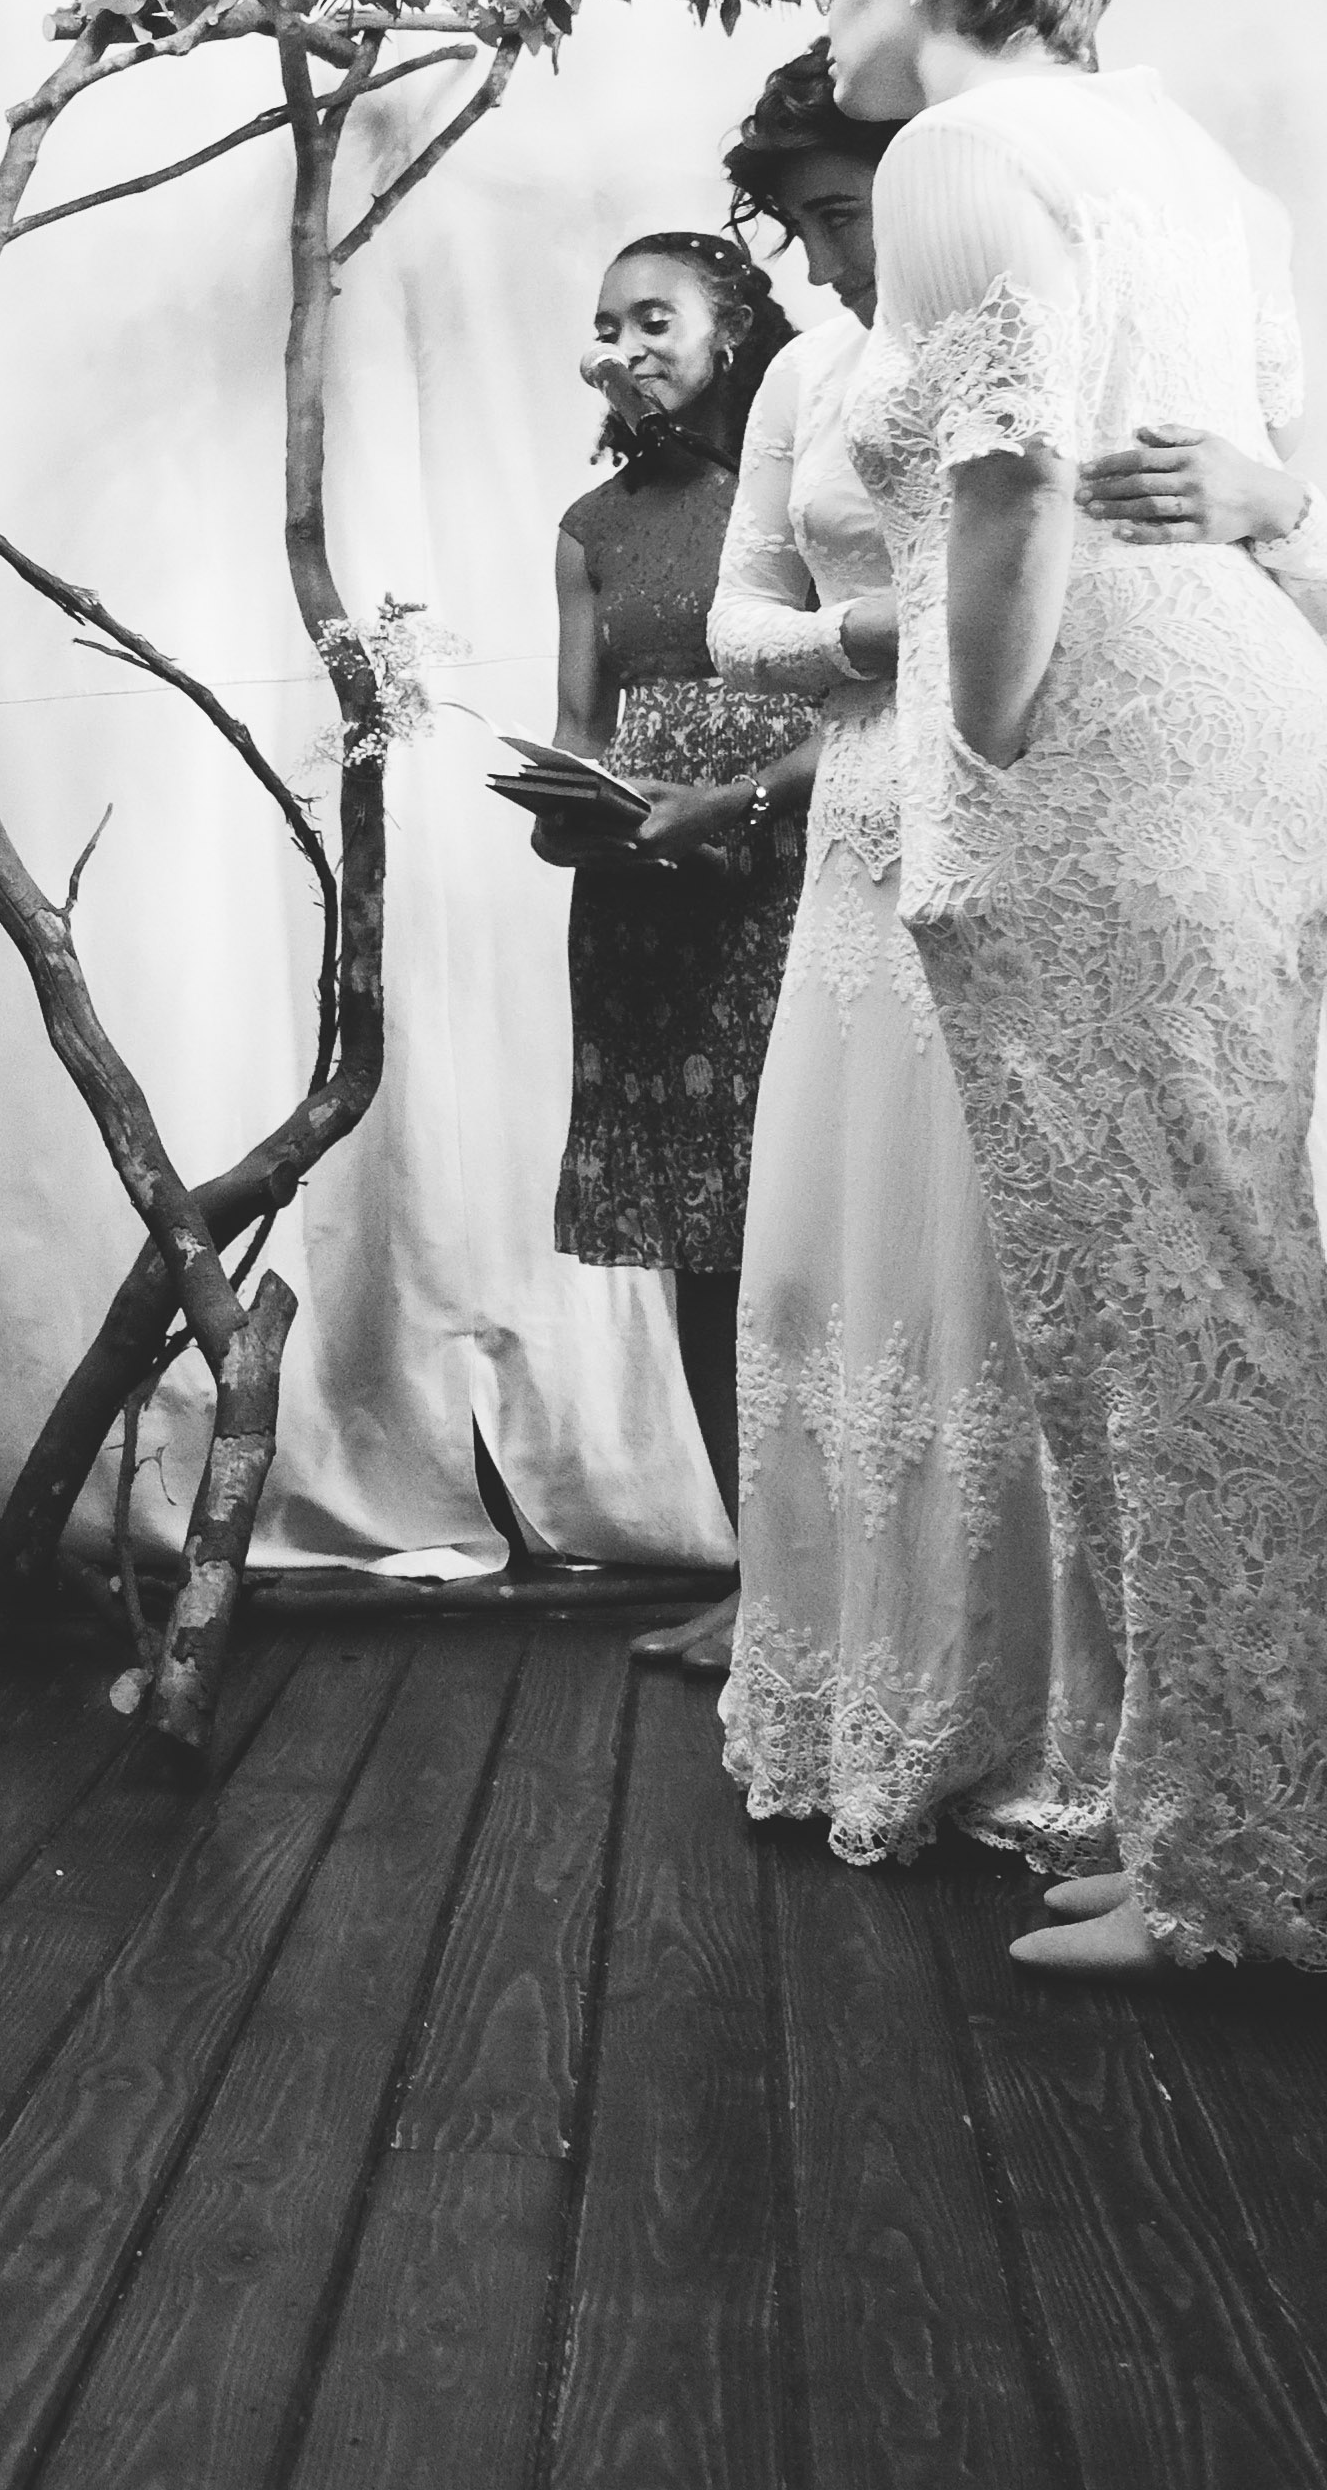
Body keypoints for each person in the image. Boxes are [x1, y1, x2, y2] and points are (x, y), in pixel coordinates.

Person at [822, 0, 1327, 1976]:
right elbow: (1252, 472)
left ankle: (1250, 1882)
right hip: (1259, 719)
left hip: (1113, 757)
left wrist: (978, 756)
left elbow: (1007, 480)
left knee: (1170, 1320)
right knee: (1197, 1294)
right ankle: (1214, 1816)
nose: (825, 13)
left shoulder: (955, 154)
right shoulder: (1186, 160)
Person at [709, 48, 1327, 1876]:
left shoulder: (1085, 304)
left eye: (840, 212)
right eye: (797, 227)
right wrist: (869, 635)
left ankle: (1090, 1730)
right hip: (861, 825)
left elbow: (1285, 577)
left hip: (1029, 797)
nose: (830, 256)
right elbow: (730, 623)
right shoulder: (804, 378)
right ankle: (874, 1677)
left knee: (1038, 1289)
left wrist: (1267, 508)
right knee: (847, 1269)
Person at [527, 235, 815, 1673]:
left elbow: (891, 694)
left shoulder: (808, 489)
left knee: (824, 1231)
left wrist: (738, 804)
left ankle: (863, 1590)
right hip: (650, 915)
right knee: (706, 1249)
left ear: (733, 331)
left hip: (802, 879)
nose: (627, 345)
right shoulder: (591, 525)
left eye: (657, 318)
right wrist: (571, 817)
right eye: (609, 322)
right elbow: (577, 734)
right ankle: (768, 1587)